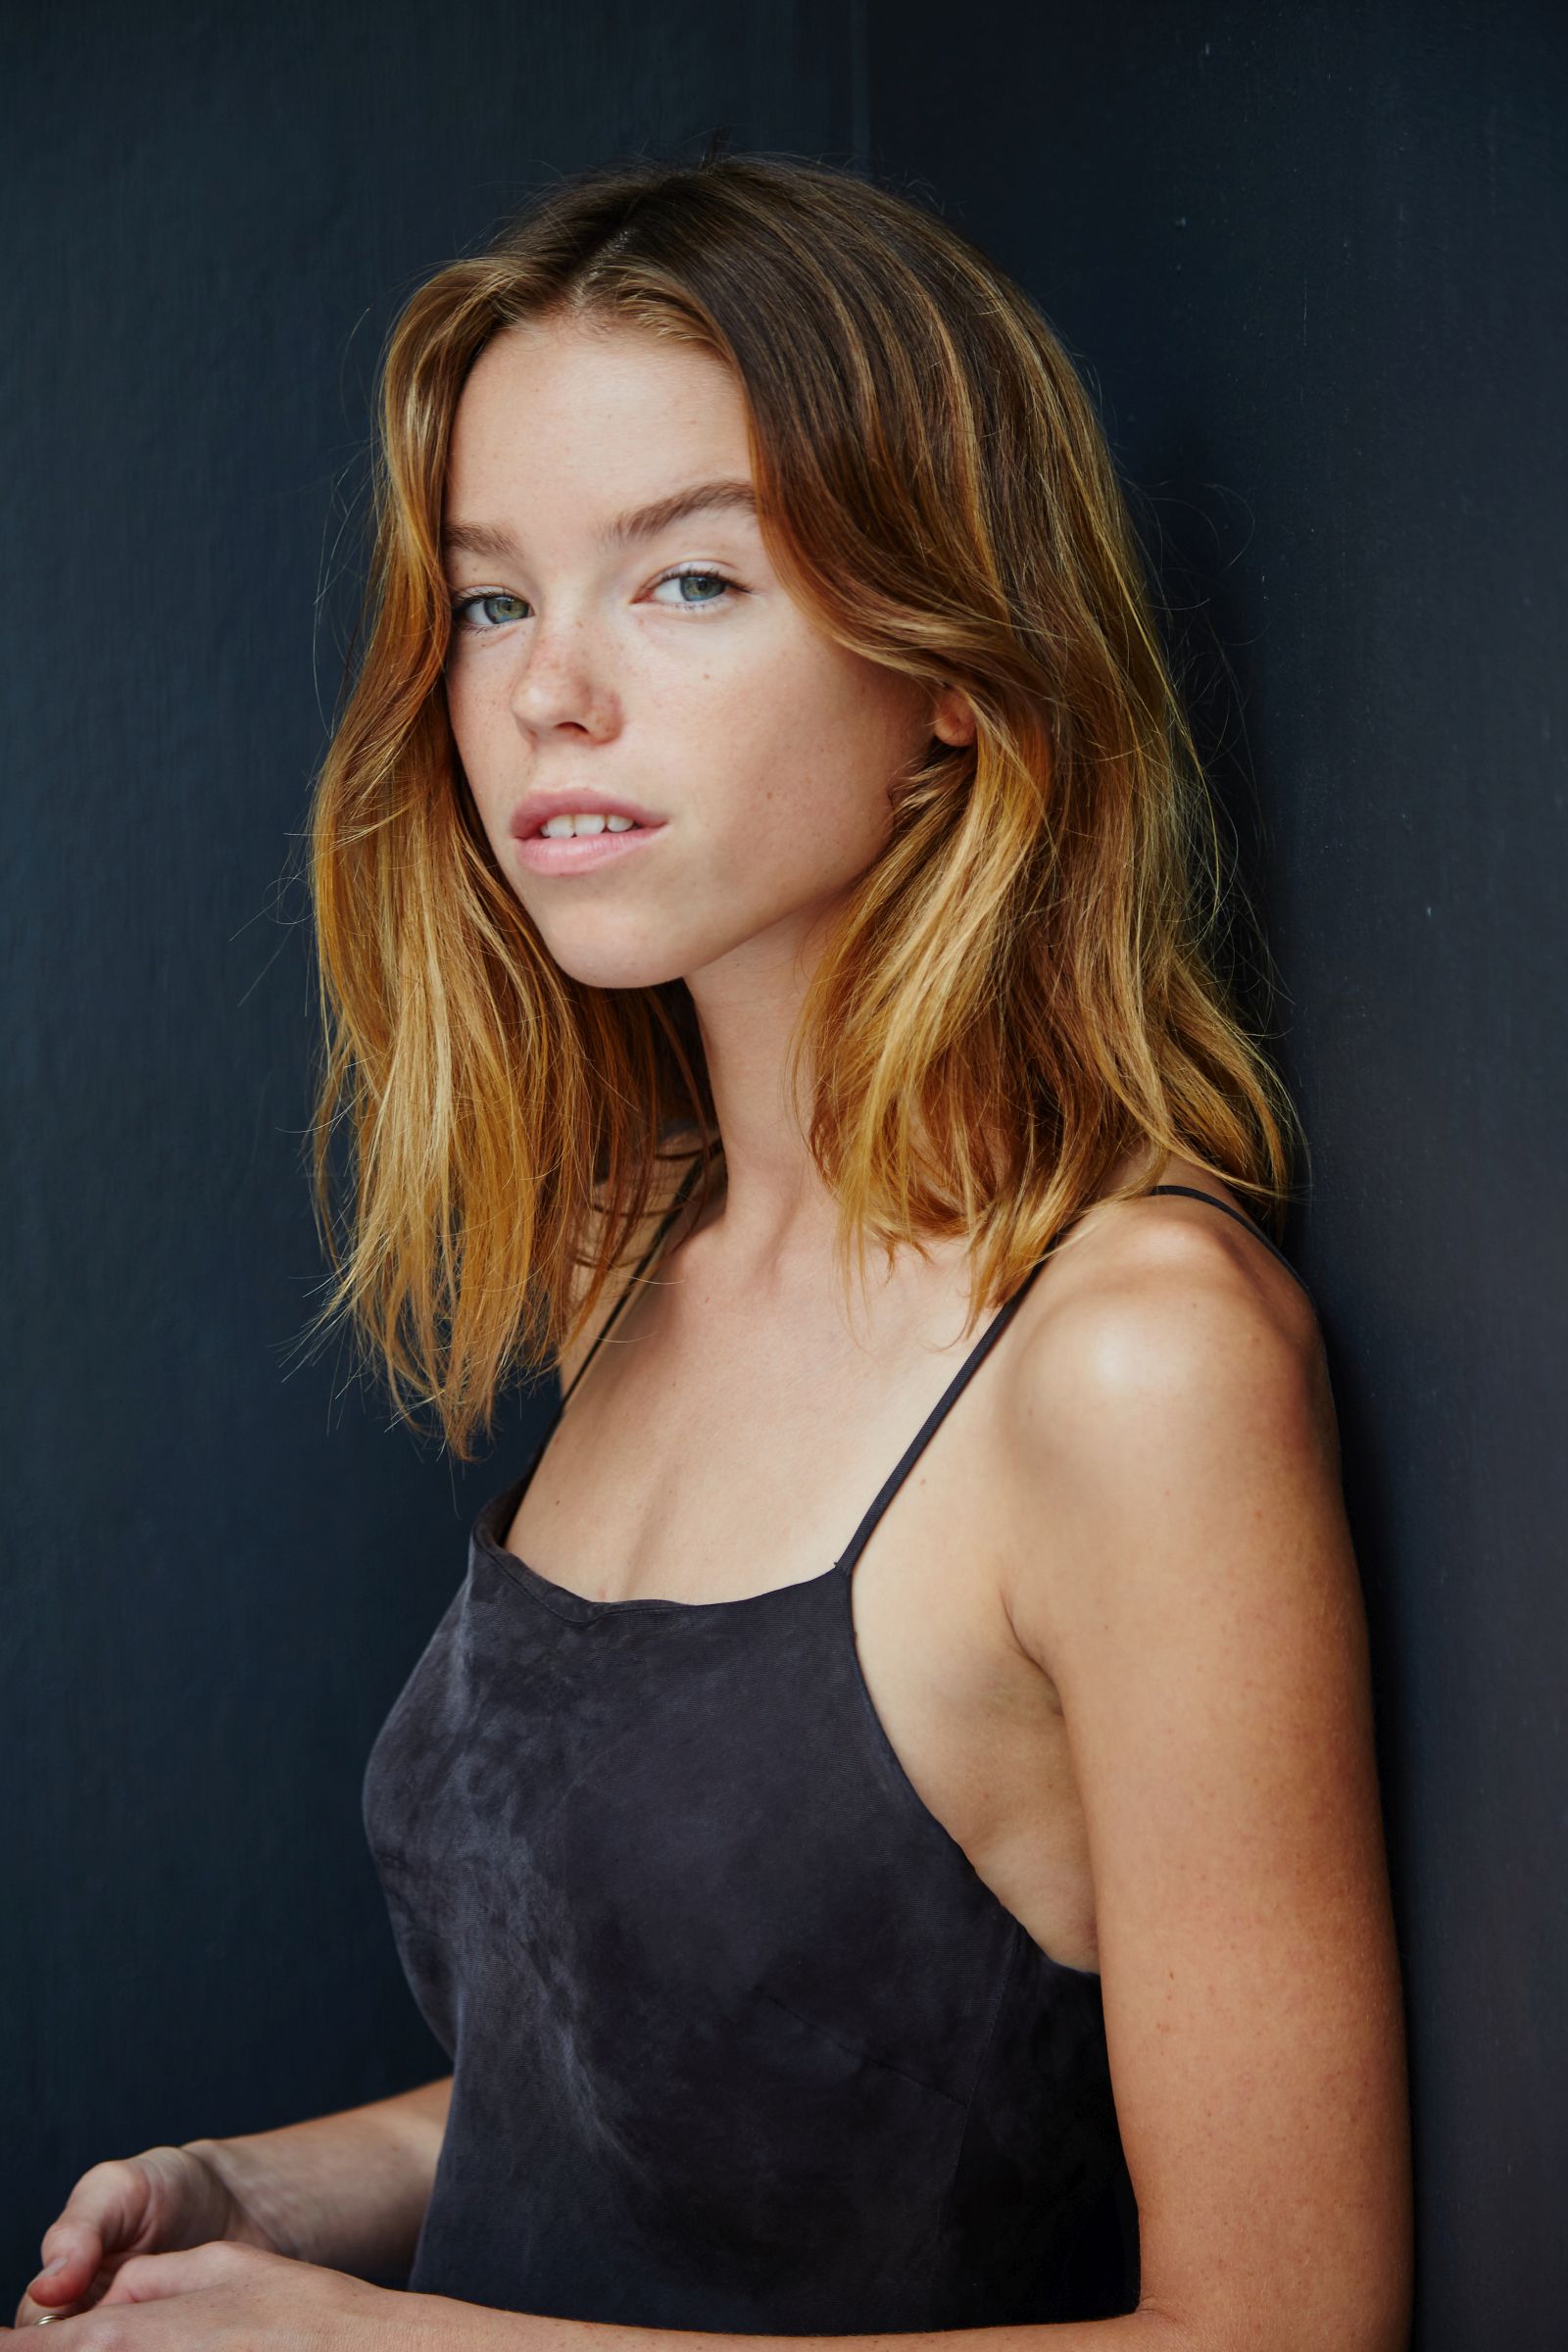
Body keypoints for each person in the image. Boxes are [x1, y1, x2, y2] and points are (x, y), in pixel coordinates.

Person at [15, 150, 1412, 2348]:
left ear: (952, 666)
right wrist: (265, 2189)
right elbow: (678, 2102)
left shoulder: (1134, 1369)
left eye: (683, 583)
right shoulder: (627, 1253)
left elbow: (1278, 2331)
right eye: (490, 601)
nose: (544, 694)